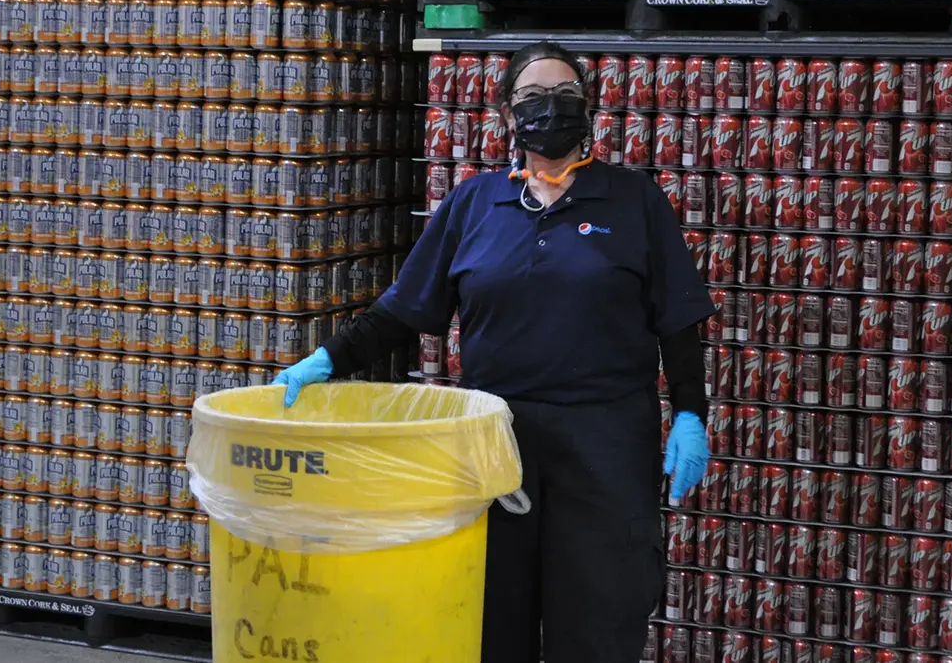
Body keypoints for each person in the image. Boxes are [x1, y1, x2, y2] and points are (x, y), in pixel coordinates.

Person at [272, 41, 715, 663]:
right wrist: (327, 360)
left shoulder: (634, 200)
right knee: (489, 619)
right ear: (508, 114)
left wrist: (691, 414)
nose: (550, 110)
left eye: (565, 97)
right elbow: (405, 310)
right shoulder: (475, 203)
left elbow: (678, 322)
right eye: (533, 98)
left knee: (598, 621)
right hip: (494, 443)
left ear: (589, 109)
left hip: (606, 446)